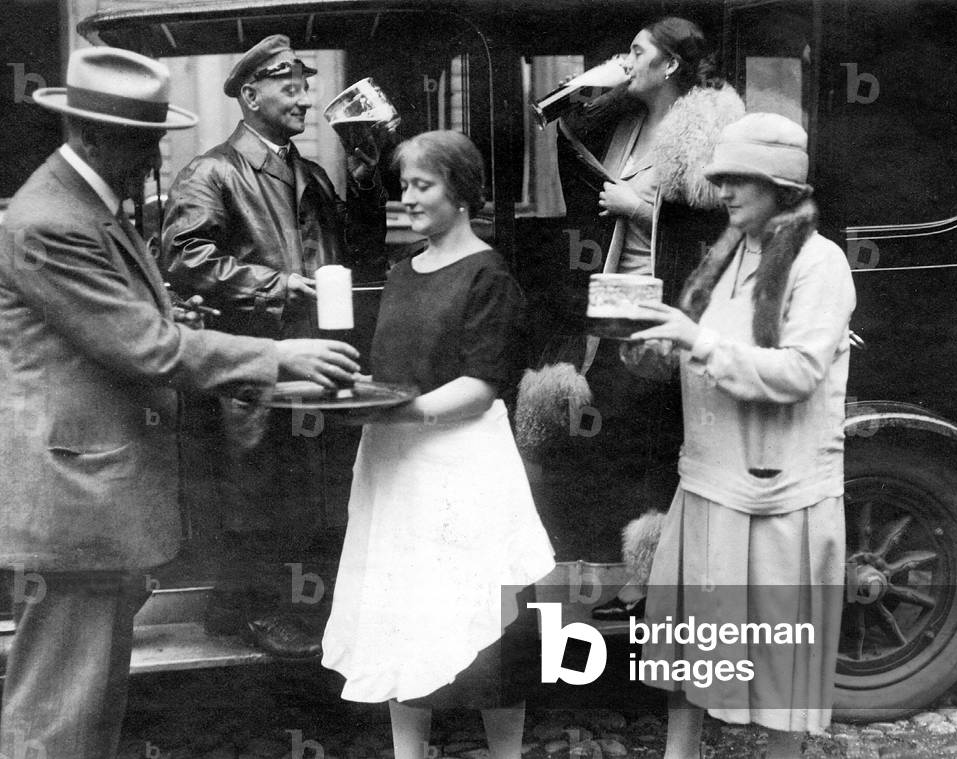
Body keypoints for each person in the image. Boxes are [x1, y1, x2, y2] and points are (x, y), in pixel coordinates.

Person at [0, 46, 360, 759]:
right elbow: (142, 347)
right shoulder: (51, 220)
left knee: (86, 698)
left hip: (96, 493)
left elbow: (129, 327)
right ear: (92, 136)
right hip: (79, 497)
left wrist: (178, 320)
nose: (155, 154)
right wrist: (275, 357)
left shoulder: (81, 203)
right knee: (58, 706)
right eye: (143, 139)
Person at [625, 113, 855, 758]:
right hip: (708, 478)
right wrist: (654, 348)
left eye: (739, 178)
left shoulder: (820, 262)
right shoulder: (727, 254)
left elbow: (799, 372)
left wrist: (696, 341)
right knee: (690, 650)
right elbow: (706, 350)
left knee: (780, 658)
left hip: (777, 493)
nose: (722, 190)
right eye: (720, 176)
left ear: (781, 185)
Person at [321, 130, 555, 759]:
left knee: (484, 623)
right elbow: (393, 369)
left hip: (462, 469)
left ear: (461, 193)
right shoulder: (402, 273)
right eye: (405, 185)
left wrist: (403, 411)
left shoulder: (488, 275)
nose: (408, 198)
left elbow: (481, 387)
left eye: (422, 185)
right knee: (400, 613)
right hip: (396, 467)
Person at [159, 34, 388, 657]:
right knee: (256, 491)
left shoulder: (311, 174)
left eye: (305, 87)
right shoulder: (211, 172)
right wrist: (274, 284)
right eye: (290, 87)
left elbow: (358, 251)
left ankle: (274, 610)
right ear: (250, 95)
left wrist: (366, 180)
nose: (305, 99)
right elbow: (184, 257)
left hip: (313, 357)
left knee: (306, 491)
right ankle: (254, 611)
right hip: (252, 360)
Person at [520, 16, 744, 615]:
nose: (628, 57)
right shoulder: (627, 119)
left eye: (637, 52)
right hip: (614, 298)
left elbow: (720, 228)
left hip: (665, 307)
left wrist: (642, 210)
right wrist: (593, 89)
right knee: (600, 433)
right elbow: (570, 143)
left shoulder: (707, 130)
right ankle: (619, 576)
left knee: (644, 442)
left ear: (669, 65)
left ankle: (651, 583)